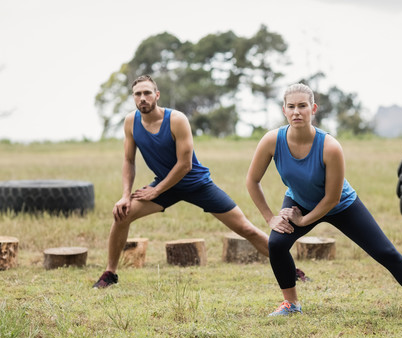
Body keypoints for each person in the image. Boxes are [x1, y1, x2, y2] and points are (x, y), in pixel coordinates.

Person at [245, 83, 402, 320]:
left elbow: (332, 198)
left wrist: (303, 220)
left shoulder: (330, 147)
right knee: (276, 244)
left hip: (341, 205)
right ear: (284, 110)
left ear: (313, 108)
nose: (297, 111)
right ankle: (291, 304)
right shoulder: (271, 141)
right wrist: (271, 217)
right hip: (300, 201)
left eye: (302, 106)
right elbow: (252, 181)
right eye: (291, 106)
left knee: (386, 252)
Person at [93, 75, 277, 288]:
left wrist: (155, 191)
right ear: (133, 97)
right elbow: (128, 160)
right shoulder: (130, 122)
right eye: (138, 94)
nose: (142, 98)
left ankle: (290, 269)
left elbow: (184, 165)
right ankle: (110, 273)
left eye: (147, 93)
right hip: (165, 185)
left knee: (247, 229)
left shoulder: (176, 119)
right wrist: (125, 195)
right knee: (121, 215)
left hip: (196, 184)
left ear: (157, 95)